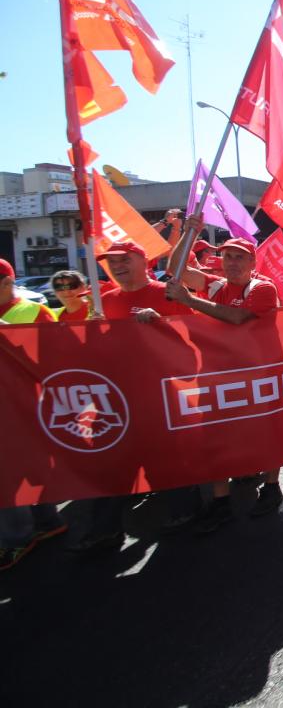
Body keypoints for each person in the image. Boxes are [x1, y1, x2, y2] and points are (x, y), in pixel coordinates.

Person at [69, 242, 197, 553]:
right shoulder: (104, 302)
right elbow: (92, 354)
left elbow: (194, 350)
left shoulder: (168, 294)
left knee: (166, 459)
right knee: (110, 462)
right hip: (117, 396)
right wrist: (90, 332)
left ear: (143, 260)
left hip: (160, 396)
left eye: (125, 259)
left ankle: (186, 510)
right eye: (111, 262)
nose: (117, 266)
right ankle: (104, 531)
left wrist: (160, 327)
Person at [167, 222, 283, 528]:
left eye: (239, 257)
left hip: (258, 374)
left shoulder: (262, 288)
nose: (231, 262)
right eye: (227, 256)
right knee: (214, 435)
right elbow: (175, 268)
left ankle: (272, 488)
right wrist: (189, 233)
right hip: (219, 373)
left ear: (252, 263)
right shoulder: (216, 285)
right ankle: (221, 501)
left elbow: (237, 317)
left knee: (265, 433)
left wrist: (189, 300)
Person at [0, 258, 67, 570]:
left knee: (12, 474)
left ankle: (17, 537)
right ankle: (44, 521)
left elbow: (56, 354)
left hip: (25, 403)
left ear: (6, 282)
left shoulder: (32, 310)